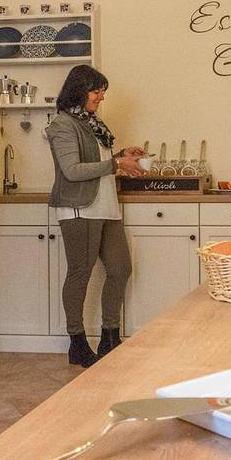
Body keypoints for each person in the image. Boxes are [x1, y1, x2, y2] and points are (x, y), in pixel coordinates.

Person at [46, 64, 146, 367]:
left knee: (120, 268)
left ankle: (109, 336)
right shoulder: (63, 124)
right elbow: (72, 170)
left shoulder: (92, 123)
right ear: (79, 90)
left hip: (105, 205)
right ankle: (76, 342)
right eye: (96, 91)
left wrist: (121, 157)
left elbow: (96, 162)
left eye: (102, 91)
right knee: (80, 272)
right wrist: (115, 165)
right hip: (79, 208)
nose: (101, 97)